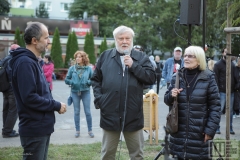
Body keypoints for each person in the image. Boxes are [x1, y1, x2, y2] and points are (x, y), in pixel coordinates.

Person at [91, 25, 156, 159]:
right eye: (121, 38)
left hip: (133, 116)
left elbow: (151, 78)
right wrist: (100, 99)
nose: (124, 41)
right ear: (115, 40)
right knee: (107, 154)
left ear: (132, 39)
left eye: (127, 38)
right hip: (110, 114)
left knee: (137, 155)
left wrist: (133, 65)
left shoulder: (141, 57)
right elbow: (95, 79)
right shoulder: (105, 56)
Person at [8, 22, 67, 160]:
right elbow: (29, 97)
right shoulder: (25, 63)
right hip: (34, 129)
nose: (49, 41)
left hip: (40, 127)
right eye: (46, 38)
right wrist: (56, 105)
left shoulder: (32, 61)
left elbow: (40, 92)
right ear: (34, 40)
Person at [164, 46, 221, 159]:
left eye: (190, 56)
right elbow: (167, 100)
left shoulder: (208, 77)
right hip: (178, 133)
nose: (186, 58)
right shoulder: (177, 77)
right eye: (185, 55)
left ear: (199, 59)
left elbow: (215, 107)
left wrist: (210, 130)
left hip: (199, 133)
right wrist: (171, 95)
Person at [65, 51, 94, 138]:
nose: (77, 58)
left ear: (83, 58)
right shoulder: (72, 69)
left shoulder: (88, 69)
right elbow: (66, 80)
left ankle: (90, 130)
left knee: (88, 112)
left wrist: (88, 82)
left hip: (85, 92)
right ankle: (77, 131)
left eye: (79, 57)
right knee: (76, 112)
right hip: (75, 92)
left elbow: (93, 79)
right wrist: (72, 82)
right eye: (76, 57)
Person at [214, 48, 236, 135]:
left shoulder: (232, 65)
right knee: (219, 110)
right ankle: (216, 128)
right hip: (221, 91)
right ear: (222, 53)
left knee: (230, 111)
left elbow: (235, 77)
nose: (227, 54)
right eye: (226, 52)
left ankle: (230, 128)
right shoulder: (218, 65)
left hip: (231, 91)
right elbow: (215, 78)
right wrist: (217, 90)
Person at [1, 44, 20, 138]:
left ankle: (5, 129)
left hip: (4, 87)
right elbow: (12, 74)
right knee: (13, 110)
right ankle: (8, 131)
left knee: (6, 109)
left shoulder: (5, 59)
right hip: (12, 87)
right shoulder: (13, 60)